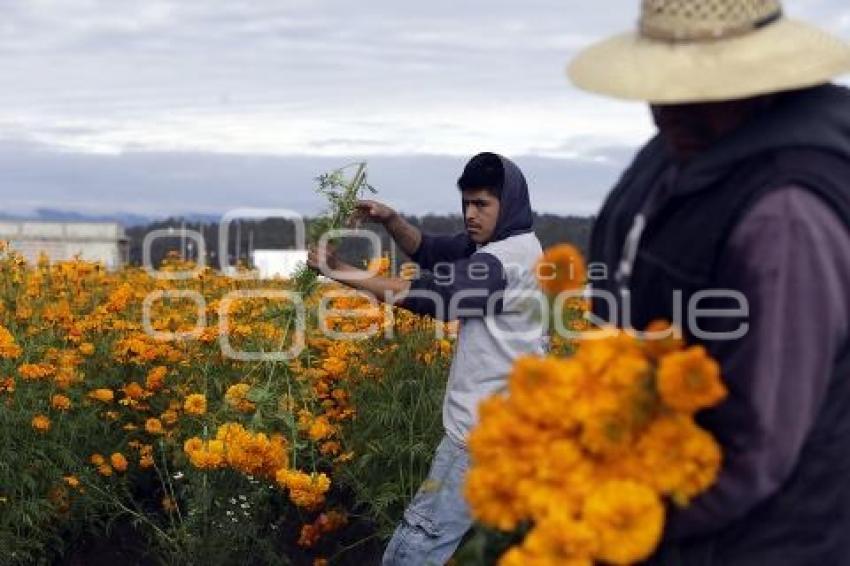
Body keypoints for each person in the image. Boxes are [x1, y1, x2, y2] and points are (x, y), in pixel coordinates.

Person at [567, 0, 850, 563]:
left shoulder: (785, 214)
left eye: (700, 88)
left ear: (766, 75)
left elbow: (752, 446)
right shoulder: (689, 145)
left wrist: (597, 512)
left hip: (755, 541)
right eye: (663, 87)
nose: (670, 113)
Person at [307, 152, 546, 565]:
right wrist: (390, 219)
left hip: (480, 434)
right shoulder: (509, 244)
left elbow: (438, 297)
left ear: (509, 204)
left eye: (482, 205)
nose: (470, 214)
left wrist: (342, 271)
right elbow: (433, 250)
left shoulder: (503, 261)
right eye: (466, 203)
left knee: (418, 543)